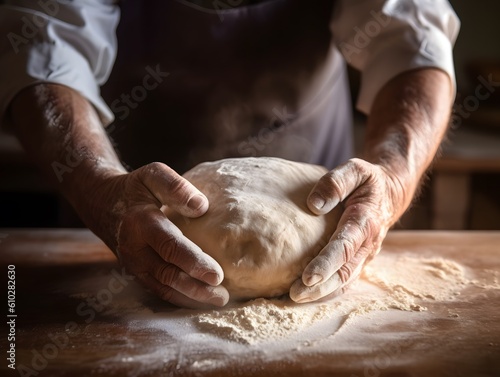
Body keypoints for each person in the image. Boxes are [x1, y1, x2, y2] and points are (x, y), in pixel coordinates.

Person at [0, 0, 460, 308]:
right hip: (123, 162)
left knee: (319, 232)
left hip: (315, 162)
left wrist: (393, 178)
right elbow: (42, 38)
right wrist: (101, 190)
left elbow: (411, 38)